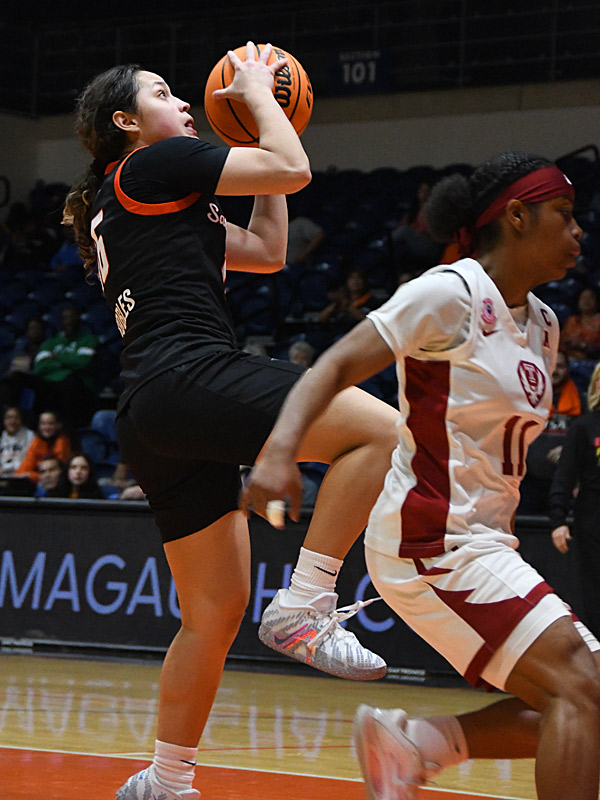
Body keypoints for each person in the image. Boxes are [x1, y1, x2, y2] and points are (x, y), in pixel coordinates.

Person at [62, 47, 398, 800]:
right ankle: (308, 601)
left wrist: (252, 132)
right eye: (164, 91)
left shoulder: (151, 194)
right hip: (188, 372)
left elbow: (271, 250)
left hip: (150, 410)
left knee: (210, 613)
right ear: (126, 122)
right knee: (377, 431)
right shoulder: (155, 164)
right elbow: (293, 170)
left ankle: (166, 779)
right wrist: (258, 97)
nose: (184, 101)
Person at [242, 153, 600, 800]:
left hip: (485, 541)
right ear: (517, 217)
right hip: (428, 539)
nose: (580, 233)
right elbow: (331, 367)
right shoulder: (449, 292)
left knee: (587, 697)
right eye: (566, 217)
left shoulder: (545, 325)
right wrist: (278, 451)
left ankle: (415, 746)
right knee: (580, 681)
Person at [549, 361, 600, 640]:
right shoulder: (585, 427)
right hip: (593, 523)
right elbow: (565, 475)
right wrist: (558, 519)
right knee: (594, 593)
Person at [518, 349, 581, 513]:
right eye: (552, 366)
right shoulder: (525, 399)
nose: (555, 371)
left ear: (568, 369)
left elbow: (592, 437)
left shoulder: (583, 401)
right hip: (529, 482)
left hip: (567, 484)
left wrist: (568, 451)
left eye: (560, 366)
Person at [32, 304, 98, 428]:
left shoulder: (89, 339)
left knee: (71, 381)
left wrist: (56, 357)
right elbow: (39, 367)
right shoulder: (50, 342)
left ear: (79, 320)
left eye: (72, 318)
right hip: (50, 384)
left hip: (76, 386)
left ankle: (68, 433)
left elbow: (83, 363)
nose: (69, 322)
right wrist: (70, 361)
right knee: (18, 379)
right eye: (65, 318)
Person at [317, 267, 380, 335]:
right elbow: (321, 319)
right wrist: (335, 303)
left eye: (358, 278)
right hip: (338, 334)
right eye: (352, 278)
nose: (355, 281)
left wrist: (346, 305)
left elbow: (365, 319)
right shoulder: (341, 299)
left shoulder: (371, 300)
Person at [16, 410, 72, 483]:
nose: (46, 427)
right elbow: (23, 470)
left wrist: (32, 476)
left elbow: (60, 474)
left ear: (59, 425)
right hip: (39, 481)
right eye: (43, 424)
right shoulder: (37, 441)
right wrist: (34, 476)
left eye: (50, 424)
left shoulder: (62, 442)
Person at [560, 285, 600, 361]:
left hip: (592, 361)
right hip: (568, 360)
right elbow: (563, 342)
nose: (586, 301)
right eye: (583, 298)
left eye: (591, 298)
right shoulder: (572, 320)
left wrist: (582, 345)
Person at [0, 406, 35, 475]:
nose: (13, 421)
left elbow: (29, 461)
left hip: (22, 475)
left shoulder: (30, 435)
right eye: (9, 417)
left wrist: (5, 468)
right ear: (4, 420)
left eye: (16, 418)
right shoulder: (2, 437)